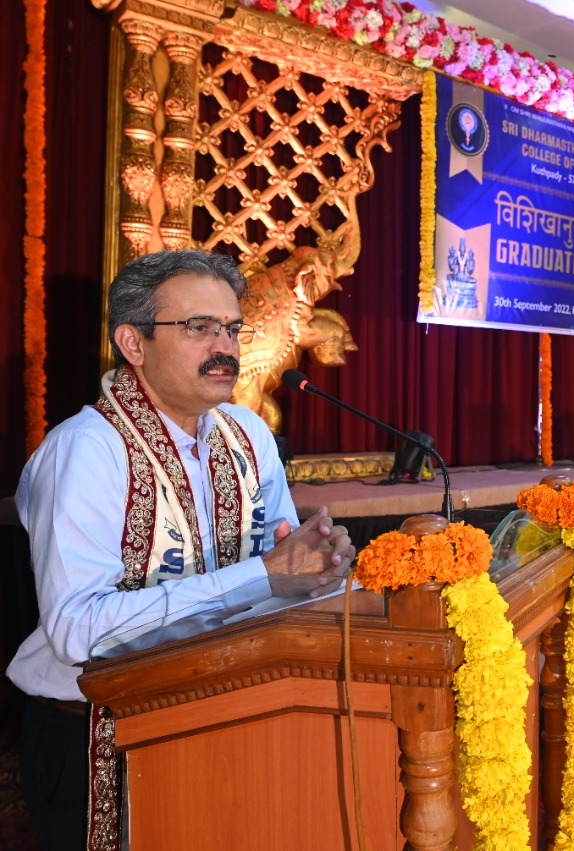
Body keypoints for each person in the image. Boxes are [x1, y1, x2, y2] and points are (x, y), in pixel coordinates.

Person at [6, 250, 355, 851]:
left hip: (232, 710)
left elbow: (283, 574)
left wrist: (325, 572)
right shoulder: (88, 450)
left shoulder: (246, 436)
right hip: (97, 739)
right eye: (198, 328)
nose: (225, 346)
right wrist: (267, 575)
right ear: (133, 343)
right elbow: (77, 630)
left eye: (231, 327)